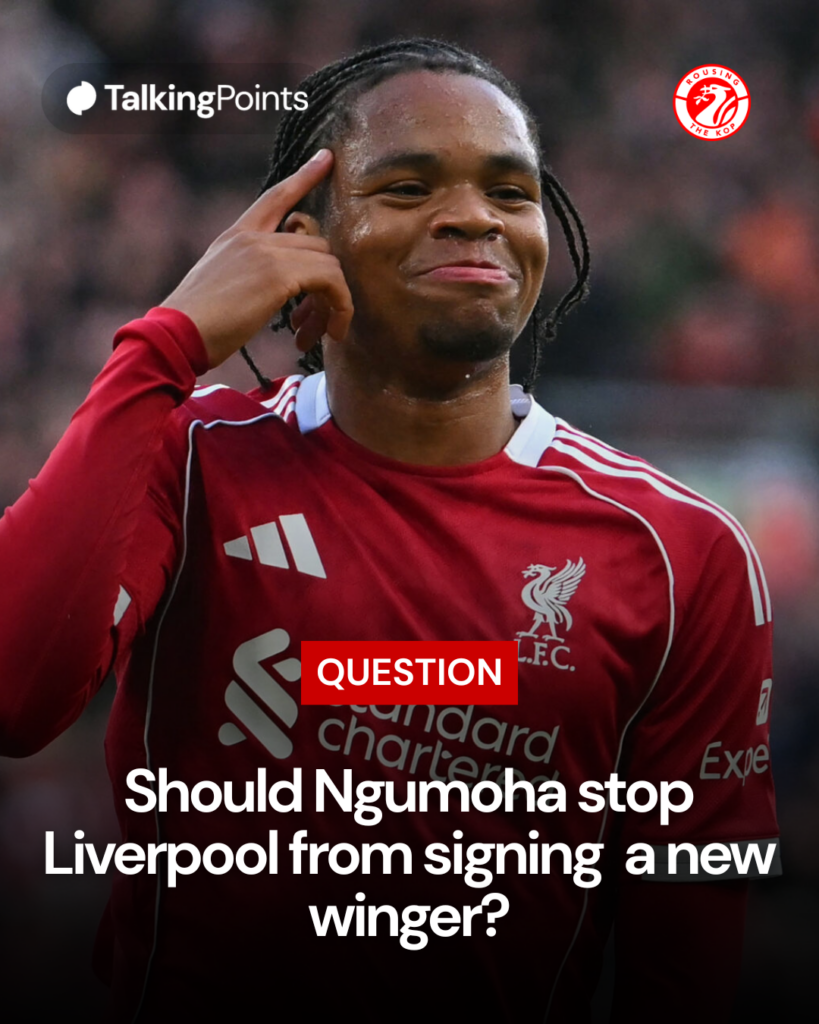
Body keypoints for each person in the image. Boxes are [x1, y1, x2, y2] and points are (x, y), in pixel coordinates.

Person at [0, 39, 778, 1023]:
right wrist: (167, 342)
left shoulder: (680, 552)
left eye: (511, 190)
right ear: (299, 241)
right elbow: (16, 693)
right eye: (407, 186)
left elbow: (690, 955)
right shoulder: (192, 460)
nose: (472, 216)